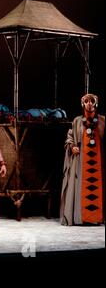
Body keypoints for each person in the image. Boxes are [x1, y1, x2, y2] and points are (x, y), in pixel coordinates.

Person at [60, 93, 104, 225]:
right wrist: (72, 146)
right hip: (82, 163)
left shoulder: (102, 120)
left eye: (92, 101)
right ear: (83, 104)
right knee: (82, 189)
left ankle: (97, 217)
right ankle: (82, 217)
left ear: (96, 103)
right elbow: (70, 137)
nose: (89, 103)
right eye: (86, 101)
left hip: (99, 163)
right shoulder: (77, 121)